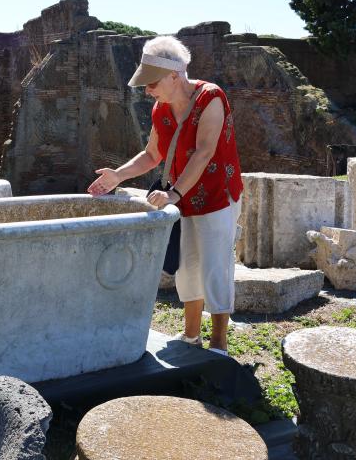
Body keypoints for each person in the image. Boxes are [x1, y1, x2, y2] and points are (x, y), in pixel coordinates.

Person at [87, 35, 243, 355]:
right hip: (183, 199)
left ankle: (219, 343)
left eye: (152, 83)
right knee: (187, 267)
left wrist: (172, 193)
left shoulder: (211, 97)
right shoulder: (162, 109)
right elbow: (151, 155)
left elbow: (204, 152)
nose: (147, 91)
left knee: (216, 266)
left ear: (175, 75)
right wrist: (118, 175)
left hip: (216, 197)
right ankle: (191, 336)